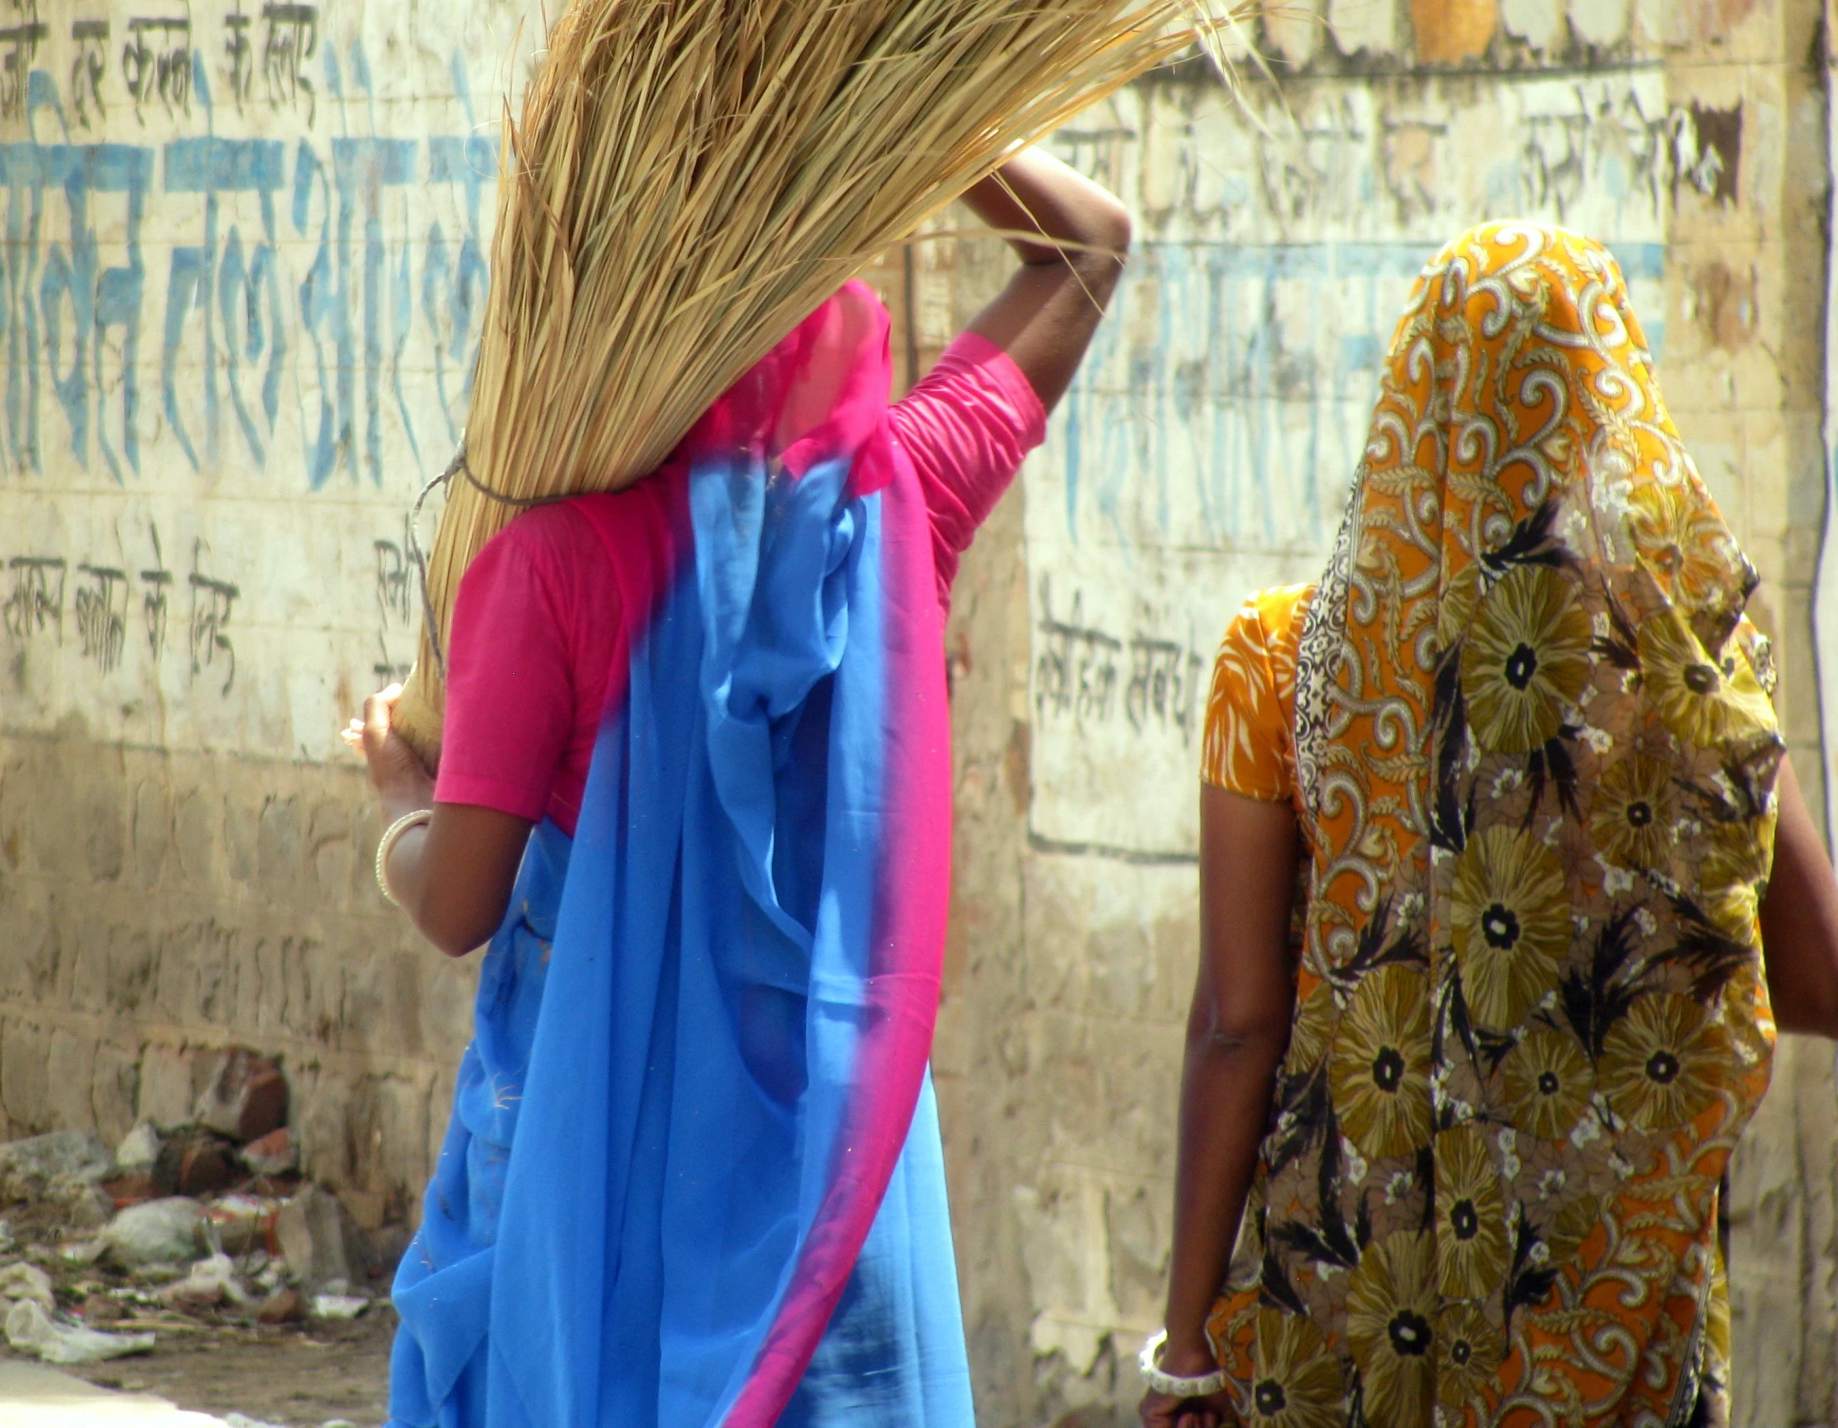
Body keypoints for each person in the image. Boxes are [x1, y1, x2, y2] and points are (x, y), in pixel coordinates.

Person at [352, 149, 1130, 1428]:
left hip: (591, 1176)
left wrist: (396, 802)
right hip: (829, 1182)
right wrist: (915, 114)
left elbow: (455, 904)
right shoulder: (899, 503)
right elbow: (1086, 250)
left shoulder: (546, 565)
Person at [1137, 222, 1838, 1428]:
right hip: (1609, 1343)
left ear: (1411, 401)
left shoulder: (1278, 657)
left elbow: (1237, 1024)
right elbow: (1820, 978)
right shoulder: (1682, 683)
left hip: (1338, 1317)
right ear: (1611, 405)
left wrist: (1188, 1342)